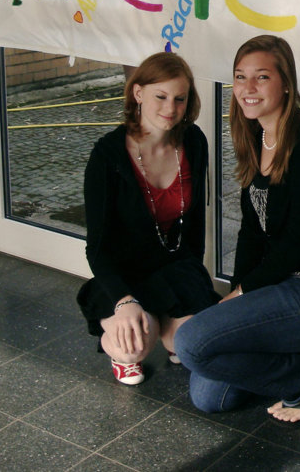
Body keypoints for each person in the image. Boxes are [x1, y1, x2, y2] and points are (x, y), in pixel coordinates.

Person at [176, 35, 300, 426]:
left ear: (286, 83)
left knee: (191, 342)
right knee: (211, 396)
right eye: (240, 77)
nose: (248, 88)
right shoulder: (257, 136)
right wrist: (238, 301)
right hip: (280, 286)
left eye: (261, 77)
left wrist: (243, 296)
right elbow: (251, 234)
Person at [76, 52, 219, 385]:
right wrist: (124, 302)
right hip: (125, 277)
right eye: (161, 96)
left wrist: (194, 283)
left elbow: (195, 225)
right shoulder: (107, 156)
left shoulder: (194, 141)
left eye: (179, 98)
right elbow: (96, 248)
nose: (171, 108)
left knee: (190, 346)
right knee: (133, 347)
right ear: (138, 93)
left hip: (174, 272)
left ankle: (165, 320)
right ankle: (118, 331)